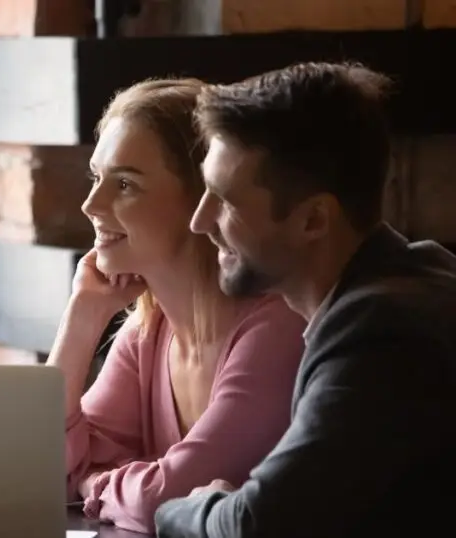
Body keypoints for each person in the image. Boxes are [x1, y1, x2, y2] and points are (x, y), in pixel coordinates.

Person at [156, 62, 456, 537]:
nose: (199, 221)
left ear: (314, 220)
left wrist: (186, 508)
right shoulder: (418, 275)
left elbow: (259, 525)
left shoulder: (379, 333)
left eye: (225, 200)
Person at [49, 78, 307, 534]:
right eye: (96, 177)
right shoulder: (147, 333)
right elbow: (43, 469)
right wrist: (82, 318)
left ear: (202, 199)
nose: (91, 204)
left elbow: (165, 498)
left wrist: (94, 485)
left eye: (125, 183)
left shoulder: (276, 330)